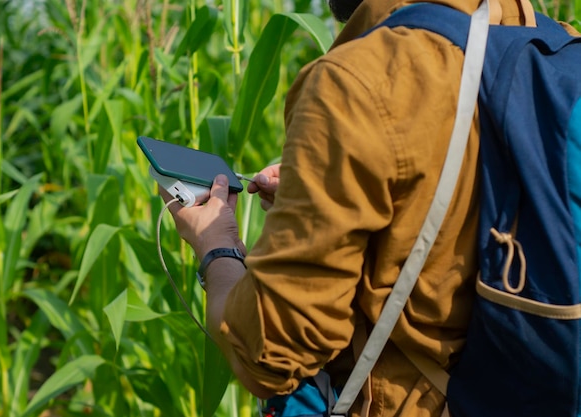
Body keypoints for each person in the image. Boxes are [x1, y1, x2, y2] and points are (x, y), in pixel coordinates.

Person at [161, 0, 542, 415]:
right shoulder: (547, 42)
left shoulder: (356, 84)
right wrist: (332, 185)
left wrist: (217, 246)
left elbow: (268, 356)